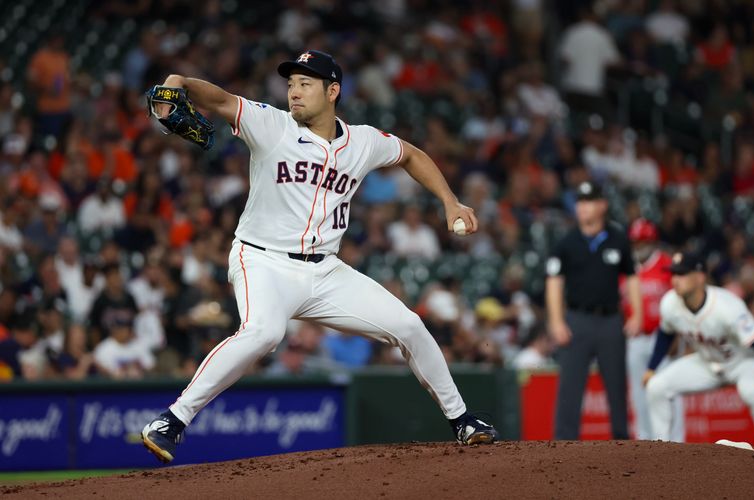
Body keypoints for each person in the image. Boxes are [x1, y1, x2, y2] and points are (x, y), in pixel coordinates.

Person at [141, 50, 498, 464]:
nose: (294, 91)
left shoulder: (362, 141)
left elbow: (412, 155)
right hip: (263, 261)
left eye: (305, 84)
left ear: (332, 92)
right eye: (291, 83)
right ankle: (171, 421)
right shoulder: (270, 124)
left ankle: (462, 420)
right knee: (264, 333)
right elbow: (219, 99)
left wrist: (450, 202)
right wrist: (180, 80)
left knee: (410, 325)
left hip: (326, 271)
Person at [644, 252, 754, 454]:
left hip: (742, 362)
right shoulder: (670, 303)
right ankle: (662, 450)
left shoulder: (727, 306)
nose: (675, 279)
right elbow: (665, 333)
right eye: (674, 274)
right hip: (706, 363)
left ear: (700, 276)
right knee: (656, 386)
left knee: (752, 391)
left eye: (682, 274)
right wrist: (652, 367)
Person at [545, 181, 641, 440]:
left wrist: (638, 314)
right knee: (570, 388)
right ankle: (563, 448)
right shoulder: (567, 242)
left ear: (602, 205)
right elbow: (554, 281)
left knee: (617, 387)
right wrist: (556, 321)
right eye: (580, 202)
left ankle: (622, 443)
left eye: (589, 202)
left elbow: (632, 277)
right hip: (577, 319)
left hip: (610, 320)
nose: (583, 207)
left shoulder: (618, 238)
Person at [621, 218, 683, 441]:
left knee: (670, 390)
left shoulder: (667, 264)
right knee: (638, 395)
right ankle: (644, 441)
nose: (639, 246)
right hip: (636, 339)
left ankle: (676, 442)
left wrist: (677, 335)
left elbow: (680, 302)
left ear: (653, 241)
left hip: (663, 337)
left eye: (643, 241)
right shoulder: (625, 268)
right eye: (636, 242)